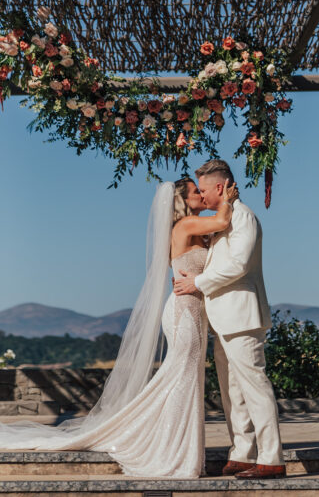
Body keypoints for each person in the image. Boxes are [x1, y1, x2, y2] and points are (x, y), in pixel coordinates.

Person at [0, 177, 237, 479]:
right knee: (183, 379)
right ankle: (174, 453)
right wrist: (228, 194)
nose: (201, 196)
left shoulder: (190, 229)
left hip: (191, 311)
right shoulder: (186, 226)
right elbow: (224, 219)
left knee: (185, 379)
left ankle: (180, 447)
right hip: (184, 314)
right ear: (182, 200)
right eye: (195, 192)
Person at [174, 159, 286, 479]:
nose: (203, 196)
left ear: (221, 187)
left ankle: (271, 457)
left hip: (242, 317)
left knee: (255, 387)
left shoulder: (244, 217)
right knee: (232, 393)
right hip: (222, 319)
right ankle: (242, 451)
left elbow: (238, 265)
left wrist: (197, 283)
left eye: (206, 189)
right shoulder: (222, 220)